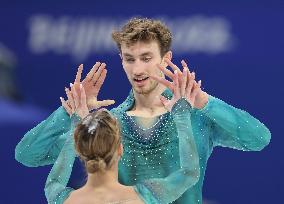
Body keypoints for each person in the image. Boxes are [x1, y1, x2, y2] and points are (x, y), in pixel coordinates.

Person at [15, 18, 271, 203]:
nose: (137, 70)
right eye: (129, 59)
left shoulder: (196, 116)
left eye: (146, 58)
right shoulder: (110, 124)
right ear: (121, 61)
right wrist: (68, 112)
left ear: (165, 59)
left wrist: (204, 101)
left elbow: (259, 138)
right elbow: (27, 155)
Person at [45, 72, 200, 204]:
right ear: (120, 149)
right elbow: (189, 173)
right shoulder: (145, 196)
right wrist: (181, 114)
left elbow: (53, 183)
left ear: (78, 149)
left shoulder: (63, 199)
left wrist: (76, 123)